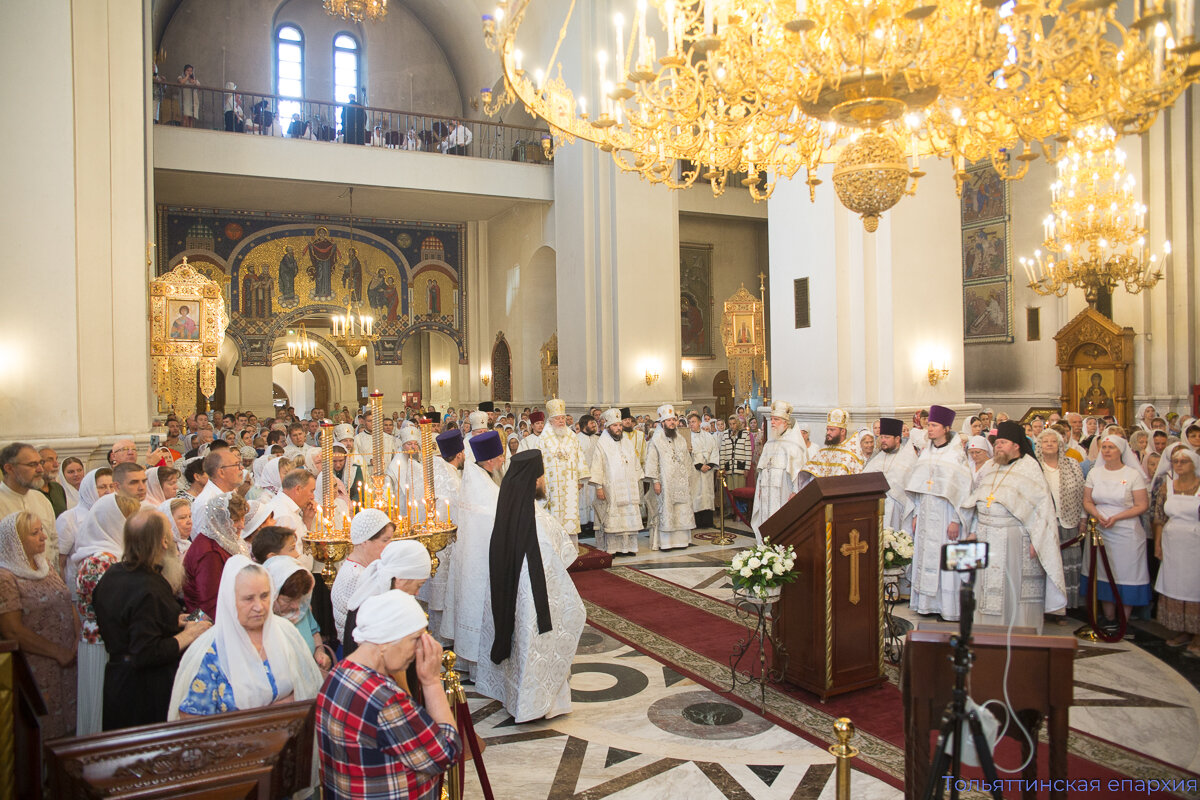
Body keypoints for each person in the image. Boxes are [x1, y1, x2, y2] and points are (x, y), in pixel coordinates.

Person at [315, 590, 460, 800]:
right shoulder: (386, 701)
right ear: (385, 641)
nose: (418, 650)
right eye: (414, 639)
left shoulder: (338, 674)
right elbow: (446, 752)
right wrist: (431, 682)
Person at [477, 450, 586, 722]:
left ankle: (521, 701)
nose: (545, 482)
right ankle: (543, 704)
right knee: (541, 643)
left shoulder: (509, 505)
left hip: (515, 594)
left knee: (522, 646)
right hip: (536, 596)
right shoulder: (538, 518)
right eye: (542, 476)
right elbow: (565, 556)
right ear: (533, 480)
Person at [92, 509, 211, 730]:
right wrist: (189, 634)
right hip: (143, 692)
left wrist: (172, 621)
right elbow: (145, 652)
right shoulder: (148, 587)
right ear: (164, 542)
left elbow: (128, 620)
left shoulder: (114, 573)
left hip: (119, 682)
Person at [171, 555, 322, 719]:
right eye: (249, 598)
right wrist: (272, 711)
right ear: (230, 601)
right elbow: (190, 717)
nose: (259, 606)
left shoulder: (286, 632)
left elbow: (308, 689)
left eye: (264, 596)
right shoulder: (210, 652)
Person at [966, 422, 1068, 634]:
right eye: (997, 443)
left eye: (1003, 443)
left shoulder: (1029, 468)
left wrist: (1037, 542)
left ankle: (1015, 634)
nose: (998, 447)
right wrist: (974, 530)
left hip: (1013, 540)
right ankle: (984, 632)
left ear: (1016, 445)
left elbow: (1042, 509)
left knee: (1010, 591)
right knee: (983, 589)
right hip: (985, 537)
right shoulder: (992, 466)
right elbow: (979, 502)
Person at [0, 511, 78, 739]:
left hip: (67, 660)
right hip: (37, 666)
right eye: (35, 533)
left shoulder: (43, 565)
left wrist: (76, 638)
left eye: (41, 530)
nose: (43, 537)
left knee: (69, 729)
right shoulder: (6, 578)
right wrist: (57, 652)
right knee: (43, 733)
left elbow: (65, 598)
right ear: (16, 541)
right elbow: (12, 630)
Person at [73, 493, 141, 735]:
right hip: (102, 642)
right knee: (102, 703)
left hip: (112, 640)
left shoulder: (114, 553)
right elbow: (110, 607)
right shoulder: (99, 560)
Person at [905, 405, 974, 621]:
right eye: (929, 425)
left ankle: (949, 608)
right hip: (926, 513)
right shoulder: (927, 453)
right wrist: (916, 513)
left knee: (946, 559)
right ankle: (926, 604)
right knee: (926, 556)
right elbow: (917, 488)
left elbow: (964, 492)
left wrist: (956, 521)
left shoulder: (956, 456)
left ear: (946, 428)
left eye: (934, 425)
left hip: (946, 516)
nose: (929, 429)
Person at [1083, 435, 1151, 632]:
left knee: (1125, 573)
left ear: (1120, 450)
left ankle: (1124, 620)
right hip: (1101, 527)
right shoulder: (1095, 473)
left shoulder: (1132, 475)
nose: (1106, 451)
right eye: (1104, 447)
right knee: (1103, 570)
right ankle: (1109, 617)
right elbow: (1087, 500)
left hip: (1126, 530)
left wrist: (1117, 518)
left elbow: (1142, 504)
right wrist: (1098, 514)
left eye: (1111, 447)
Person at [451, 431, 505, 676]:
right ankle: (481, 668)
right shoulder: (486, 488)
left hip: (472, 559)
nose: (504, 460)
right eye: (501, 456)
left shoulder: (476, 480)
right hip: (483, 561)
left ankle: (473, 664)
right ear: (491, 461)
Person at [342, 539, 431, 657]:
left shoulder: (369, 597)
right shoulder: (379, 613)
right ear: (400, 580)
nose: (417, 593)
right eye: (418, 585)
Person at [1152, 447, 1200, 656]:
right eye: (1175, 461)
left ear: (1194, 464)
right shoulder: (1167, 486)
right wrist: (1158, 544)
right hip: (1173, 543)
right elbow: (1159, 517)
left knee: (1194, 586)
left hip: (1195, 544)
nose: (1179, 465)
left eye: (1184, 461)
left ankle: (1198, 634)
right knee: (1176, 584)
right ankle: (1183, 629)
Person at [530, 400, 589, 547]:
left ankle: (571, 549)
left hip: (570, 484)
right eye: (558, 418)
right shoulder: (543, 439)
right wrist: (540, 485)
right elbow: (537, 463)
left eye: (563, 417)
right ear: (550, 421)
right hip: (551, 486)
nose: (561, 421)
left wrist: (580, 478)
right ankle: (555, 549)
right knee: (554, 517)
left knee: (569, 514)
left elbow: (579, 455)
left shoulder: (572, 436)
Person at [1038, 429, 1086, 611]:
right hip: (1044, 523)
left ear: (1060, 445)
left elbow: (1081, 493)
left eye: (1053, 441)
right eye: (1045, 441)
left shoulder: (1072, 464)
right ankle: (1045, 608)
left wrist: (1082, 518)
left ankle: (1064, 609)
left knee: (1067, 566)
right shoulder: (1036, 466)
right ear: (1039, 445)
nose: (1049, 444)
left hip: (1068, 521)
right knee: (1046, 566)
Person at [423, 429, 464, 640]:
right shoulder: (450, 479)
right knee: (445, 589)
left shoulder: (435, 473)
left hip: (434, 542)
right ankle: (442, 637)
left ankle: (437, 633)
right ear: (459, 454)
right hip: (447, 542)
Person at [183, 492, 249, 620]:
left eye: (243, 518)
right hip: (204, 620)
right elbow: (210, 604)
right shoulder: (210, 553)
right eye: (235, 521)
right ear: (217, 521)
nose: (242, 525)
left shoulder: (222, 540)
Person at [331, 509, 395, 642]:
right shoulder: (356, 576)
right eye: (385, 540)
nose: (390, 546)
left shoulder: (360, 567)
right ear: (365, 541)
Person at [750, 401, 809, 542]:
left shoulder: (794, 445)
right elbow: (763, 470)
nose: (772, 423)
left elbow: (799, 473)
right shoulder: (769, 443)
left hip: (784, 492)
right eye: (772, 419)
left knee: (782, 524)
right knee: (765, 522)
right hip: (766, 492)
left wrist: (795, 492)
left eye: (776, 420)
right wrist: (759, 488)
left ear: (785, 422)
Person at [589, 408, 645, 555]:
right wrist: (599, 487)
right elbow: (597, 466)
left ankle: (628, 547)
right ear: (608, 427)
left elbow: (634, 462)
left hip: (628, 487)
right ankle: (613, 548)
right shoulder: (602, 443)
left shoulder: (626, 442)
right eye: (615, 425)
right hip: (610, 489)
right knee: (613, 520)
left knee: (628, 518)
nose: (619, 428)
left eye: (620, 425)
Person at [263, 554, 331, 671]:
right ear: (272, 594)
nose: (295, 606)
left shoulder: (301, 610)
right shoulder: (262, 622)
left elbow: (314, 633)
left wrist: (319, 653)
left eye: (299, 598)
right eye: (288, 600)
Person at [0, 442, 61, 567]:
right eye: (32, 465)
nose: (40, 469)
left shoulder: (41, 500)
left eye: (41, 463)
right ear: (9, 468)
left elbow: (53, 544)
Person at [644, 405, 697, 551]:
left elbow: (686, 460)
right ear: (662, 423)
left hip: (681, 484)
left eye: (674, 419)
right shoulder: (656, 440)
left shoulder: (680, 439)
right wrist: (655, 481)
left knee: (681, 510)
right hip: (664, 483)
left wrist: (688, 478)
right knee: (666, 510)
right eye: (669, 420)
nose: (672, 423)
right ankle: (666, 543)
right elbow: (652, 462)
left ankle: (682, 541)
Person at [863, 417, 917, 531]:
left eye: (887, 437)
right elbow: (864, 479)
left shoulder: (908, 459)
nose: (882, 440)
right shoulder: (878, 458)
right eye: (881, 437)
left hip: (898, 510)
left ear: (897, 439)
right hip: (877, 509)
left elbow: (913, 490)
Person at [804, 409, 865, 478]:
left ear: (842, 431)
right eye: (827, 429)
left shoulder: (851, 453)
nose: (828, 433)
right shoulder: (823, 451)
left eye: (832, 430)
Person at [686, 412, 720, 529]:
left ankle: (708, 521)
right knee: (696, 494)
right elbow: (686, 455)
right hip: (695, 471)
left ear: (699, 423)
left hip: (708, 471)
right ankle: (697, 522)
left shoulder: (708, 436)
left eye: (693, 422)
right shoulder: (687, 438)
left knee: (708, 494)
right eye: (689, 423)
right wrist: (699, 465)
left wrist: (709, 465)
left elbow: (714, 451)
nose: (691, 424)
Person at [719, 415, 752, 491]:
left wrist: (747, 468)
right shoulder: (725, 434)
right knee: (730, 490)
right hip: (729, 467)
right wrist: (722, 467)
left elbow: (748, 452)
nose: (732, 426)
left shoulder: (745, 434)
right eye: (730, 424)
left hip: (740, 466)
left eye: (734, 423)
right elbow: (723, 451)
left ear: (737, 423)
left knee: (740, 490)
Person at [37, 448, 69, 518]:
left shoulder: (58, 488)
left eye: (56, 459)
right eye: (50, 460)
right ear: (39, 464)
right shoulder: (31, 491)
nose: (56, 464)